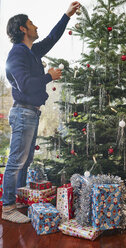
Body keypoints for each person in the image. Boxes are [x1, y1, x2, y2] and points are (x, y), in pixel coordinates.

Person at [2, 1, 80, 223]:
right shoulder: (17, 54)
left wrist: (67, 15)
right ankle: (7, 208)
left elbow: (52, 38)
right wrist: (49, 76)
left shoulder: (32, 51)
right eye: (31, 23)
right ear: (22, 29)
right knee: (16, 161)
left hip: (31, 113)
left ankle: (16, 200)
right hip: (23, 113)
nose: (36, 26)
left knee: (24, 162)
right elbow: (25, 84)